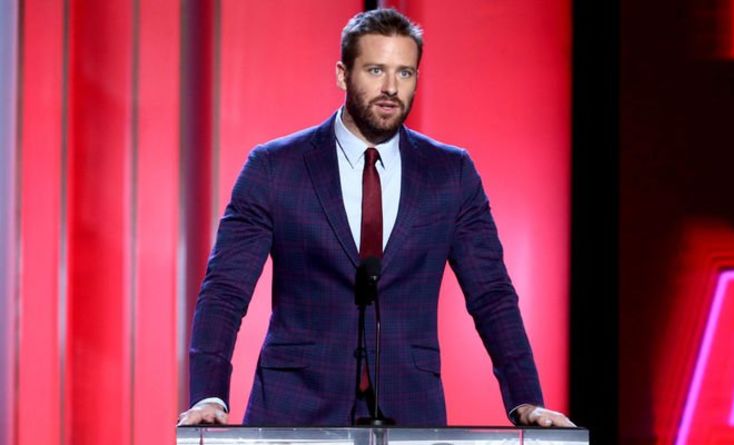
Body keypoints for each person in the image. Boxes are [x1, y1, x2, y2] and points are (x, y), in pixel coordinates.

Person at [178, 8, 574, 428]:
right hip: (296, 406)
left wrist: (526, 399)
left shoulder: (450, 173)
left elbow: (491, 294)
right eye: (375, 70)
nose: (390, 88)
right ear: (342, 75)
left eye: (405, 73)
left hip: (410, 409)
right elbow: (225, 290)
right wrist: (209, 394)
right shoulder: (275, 168)